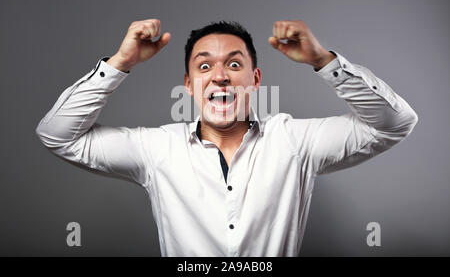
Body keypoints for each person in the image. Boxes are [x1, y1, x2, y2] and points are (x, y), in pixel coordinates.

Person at [35, 19, 418, 256]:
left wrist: (324, 61)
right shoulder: (156, 149)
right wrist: (121, 63)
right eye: (205, 66)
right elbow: (58, 135)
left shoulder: (294, 142)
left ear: (255, 80)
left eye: (234, 64)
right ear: (189, 85)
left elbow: (394, 122)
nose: (219, 76)